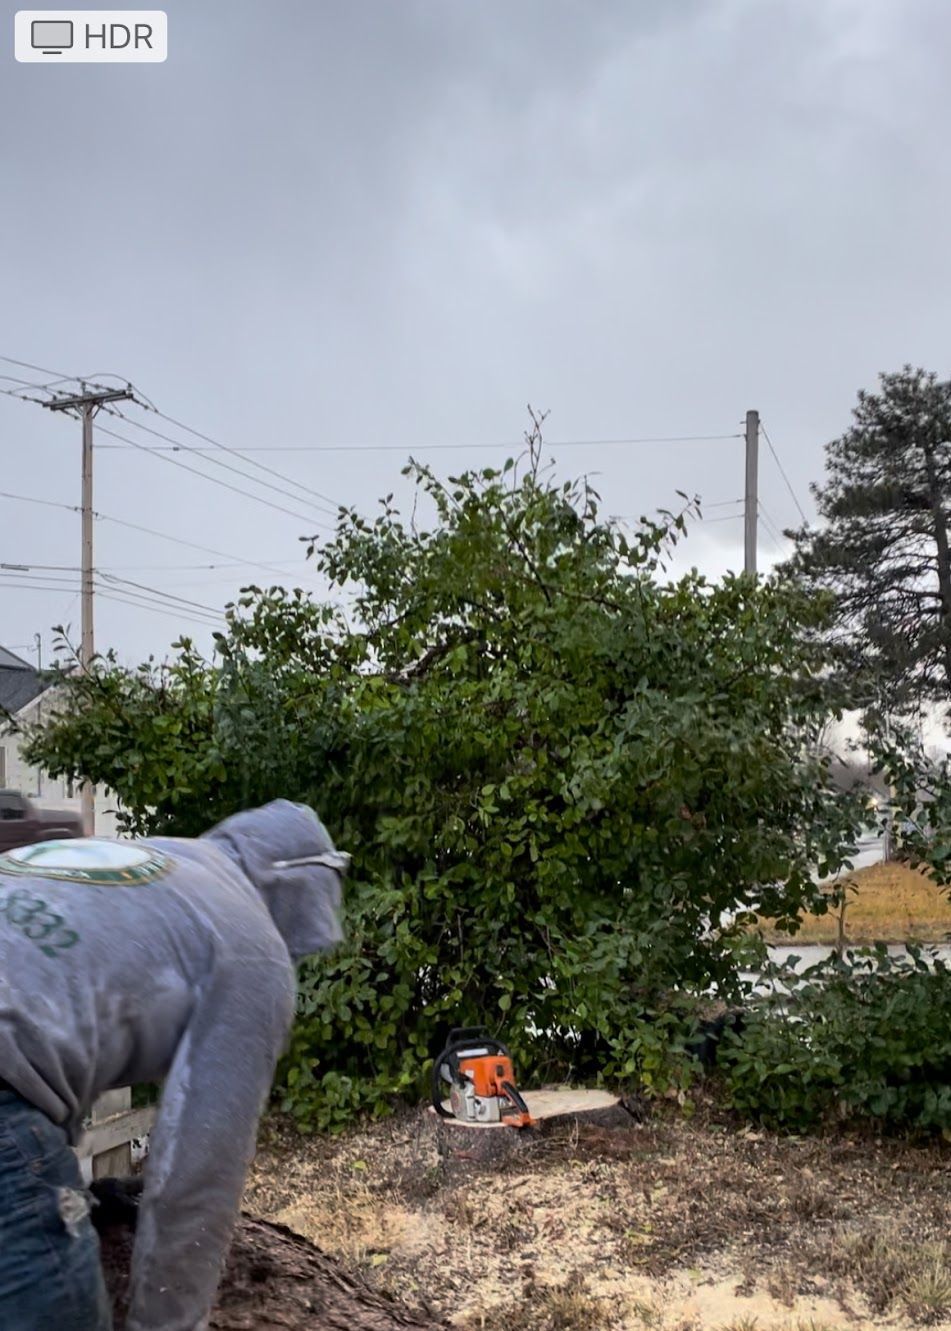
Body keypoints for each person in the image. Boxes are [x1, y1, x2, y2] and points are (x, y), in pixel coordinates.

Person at [0, 798, 347, 1331]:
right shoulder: (250, 946)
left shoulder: (151, 865)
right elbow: (198, 1173)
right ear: (299, 897)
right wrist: (167, 1321)